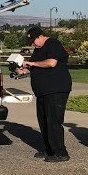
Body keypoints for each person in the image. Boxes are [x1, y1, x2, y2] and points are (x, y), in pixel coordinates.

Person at [16, 25, 72, 162]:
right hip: (43, 91)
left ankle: (60, 152)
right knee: (44, 120)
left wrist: (32, 63)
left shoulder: (53, 43)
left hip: (56, 89)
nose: (33, 44)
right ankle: (49, 149)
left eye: (34, 40)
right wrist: (26, 70)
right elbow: (37, 66)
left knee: (53, 121)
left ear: (41, 36)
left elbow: (51, 63)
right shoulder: (38, 49)